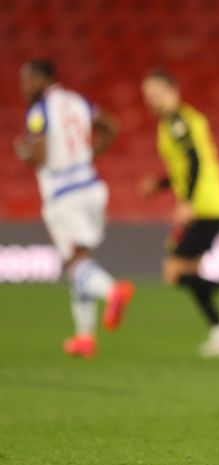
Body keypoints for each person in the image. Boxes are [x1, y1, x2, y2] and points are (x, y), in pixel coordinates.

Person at [13, 59, 133, 359]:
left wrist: (23, 152)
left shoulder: (39, 111)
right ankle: (84, 337)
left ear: (42, 79)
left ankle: (111, 291)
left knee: (76, 264)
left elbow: (39, 155)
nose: (24, 87)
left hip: (63, 195)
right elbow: (111, 127)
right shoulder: (80, 101)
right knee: (81, 259)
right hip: (91, 186)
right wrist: (88, 157)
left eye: (27, 80)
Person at [139, 68, 219, 358]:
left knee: (174, 272)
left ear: (172, 91)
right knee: (189, 274)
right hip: (210, 202)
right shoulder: (179, 120)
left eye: (156, 94)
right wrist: (162, 184)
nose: (151, 100)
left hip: (204, 205)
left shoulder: (177, 121)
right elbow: (185, 165)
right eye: (147, 96)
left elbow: (194, 160)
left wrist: (186, 202)